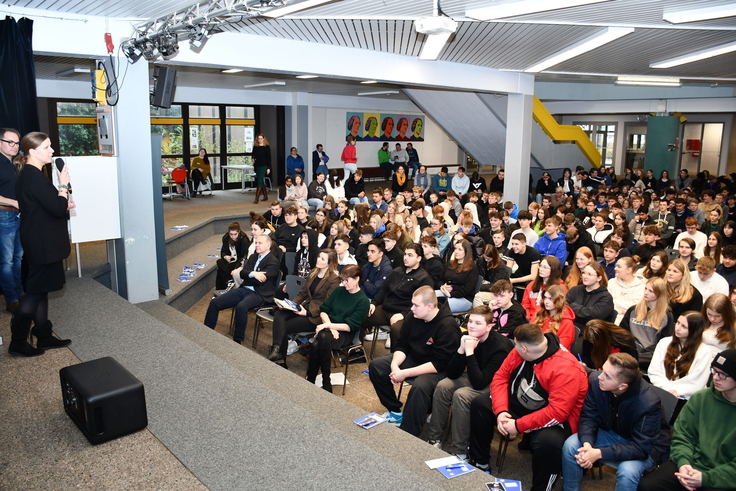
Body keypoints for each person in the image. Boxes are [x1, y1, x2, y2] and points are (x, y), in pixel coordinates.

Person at [467, 323, 589, 489]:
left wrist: (518, 425)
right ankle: (479, 461)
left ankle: (541, 487)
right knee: (480, 404)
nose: (513, 347)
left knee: (548, 443)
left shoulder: (566, 368)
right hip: (520, 402)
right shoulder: (522, 350)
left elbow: (557, 413)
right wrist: (501, 410)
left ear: (524, 348)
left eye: (515, 345)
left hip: (553, 417)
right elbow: (500, 378)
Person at [561, 353, 671, 491]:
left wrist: (598, 453)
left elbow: (640, 448)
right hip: (614, 432)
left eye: (607, 376)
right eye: (602, 370)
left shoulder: (648, 403)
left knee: (628, 472)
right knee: (572, 445)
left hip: (646, 445)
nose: (600, 376)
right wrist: (587, 445)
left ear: (622, 386)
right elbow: (589, 417)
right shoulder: (597, 382)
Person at [8, 132, 74, 357]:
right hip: (42, 242)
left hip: (40, 239)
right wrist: (63, 187)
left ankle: (44, 336)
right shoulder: (33, 176)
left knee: (41, 289)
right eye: (47, 147)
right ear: (33, 152)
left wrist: (62, 201)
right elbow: (55, 209)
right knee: (35, 292)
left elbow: (45, 207)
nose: (52, 151)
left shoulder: (30, 174)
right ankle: (17, 340)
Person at [638, 348, 736, 491]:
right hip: (690, 463)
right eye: (714, 372)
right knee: (648, 486)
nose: (716, 378)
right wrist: (684, 463)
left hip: (723, 475)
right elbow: (683, 435)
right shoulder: (701, 398)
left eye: (723, 375)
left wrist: (705, 478)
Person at [368, 286, 460, 435]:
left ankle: (409, 432)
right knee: (377, 366)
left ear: (429, 306)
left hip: (436, 368)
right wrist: (395, 365)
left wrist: (405, 373)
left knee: (420, 387)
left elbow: (439, 364)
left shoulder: (447, 326)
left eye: (416, 305)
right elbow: (402, 344)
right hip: (415, 358)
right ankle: (395, 411)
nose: (411, 308)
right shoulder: (414, 316)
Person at [426, 305, 513, 457]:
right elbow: (452, 374)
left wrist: (470, 352)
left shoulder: (501, 347)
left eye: (478, 323)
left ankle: (459, 451)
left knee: (462, 395)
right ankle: (434, 438)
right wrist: (461, 349)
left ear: (489, 326)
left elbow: (481, 383)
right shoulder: (466, 336)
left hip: (493, 384)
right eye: (471, 321)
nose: (472, 326)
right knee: (443, 385)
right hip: (473, 375)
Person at [267, 249, 340, 365]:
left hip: (316, 315)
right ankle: (277, 350)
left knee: (283, 326)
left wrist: (308, 313)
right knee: (279, 314)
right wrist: (292, 305)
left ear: (329, 263)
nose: (318, 260)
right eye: (319, 257)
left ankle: (279, 357)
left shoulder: (334, 279)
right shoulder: (313, 272)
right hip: (305, 307)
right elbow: (303, 293)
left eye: (322, 259)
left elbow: (327, 304)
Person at [204, 235, 280, 345]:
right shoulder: (253, 257)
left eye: (260, 243)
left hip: (259, 293)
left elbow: (260, 281)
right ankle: (206, 332)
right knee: (215, 302)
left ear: (268, 245)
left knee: (241, 307)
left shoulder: (273, 262)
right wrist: (254, 274)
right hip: (244, 289)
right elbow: (242, 274)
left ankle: (237, 340)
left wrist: (249, 275)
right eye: (256, 243)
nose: (257, 245)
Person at [305, 264, 369, 393]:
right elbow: (324, 310)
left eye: (347, 280)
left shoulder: (363, 301)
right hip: (330, 329)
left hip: (345, 334)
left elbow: (350, 326)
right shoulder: (339, 291)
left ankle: (314, 378)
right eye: (342, 280)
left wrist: (328, 326)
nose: (344, 283)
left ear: (357, 279)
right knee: (321, 339)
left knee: (319, 341)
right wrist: (330, 326)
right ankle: (324, 381)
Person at [363, 244, 434, 351]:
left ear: (419, 258)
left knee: (397, 330)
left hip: (407, 313)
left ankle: (395, 361)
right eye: (405, 254)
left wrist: (403, 314)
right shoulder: (397, 271)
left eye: (410, 255)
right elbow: (385, 289)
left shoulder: (424, 278)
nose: (405, 257)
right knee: (361, 315)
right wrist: (374, 303)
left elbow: (420, 303)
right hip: (385, 309)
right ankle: (357, 350)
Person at [648, 311, 711, 401]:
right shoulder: (664, 342)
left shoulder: (704, 351)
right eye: (678, 323)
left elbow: (696, 382)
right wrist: (667, 389)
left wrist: (674, 391)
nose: (678, 328)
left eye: (684, 326)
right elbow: (654, 370)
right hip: (661, 391)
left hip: (687, 399)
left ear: (694, 330)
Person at [620, 277, 675, 370]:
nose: (646, 293)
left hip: (650, 354)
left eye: (651, 291)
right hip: (631, 349)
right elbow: (622, 332)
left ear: (659, 294)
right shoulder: (633, 310)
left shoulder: (666, 316)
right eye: (646, 289)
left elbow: (665, 342)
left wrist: (645, 352)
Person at [566, 262, 615, 351]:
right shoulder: (575, 290)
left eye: (589, 274)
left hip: (591, 336)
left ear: (599, 278)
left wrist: (572, 306)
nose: (585, 276)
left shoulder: (606, 297)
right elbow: (564, 307)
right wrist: (582, 311)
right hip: (569, 328)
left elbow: (593, 315)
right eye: (584, 273)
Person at [0, 128, 23, 313]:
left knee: (18, 257)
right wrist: (14, 202)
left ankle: (20, 292)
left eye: (16, 143)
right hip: (4, 215)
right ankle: (11, 299)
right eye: (10, 142)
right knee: (6, 260)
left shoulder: (13, 163)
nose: (14, 146)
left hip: (18, 215)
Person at [435, 239, 479, 313]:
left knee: (439, 307)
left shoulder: (472, 268)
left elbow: (467, 289)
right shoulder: (450, 263)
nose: (456, 252)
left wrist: (451, 294)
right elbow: (440, 280)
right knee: (427, 298)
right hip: (445, 292)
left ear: (466, 251)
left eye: (460, 249)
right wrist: (442, 286)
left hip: (463, 298)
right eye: (455, 249)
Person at [521, 255, 564, 322]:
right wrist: (527, 318)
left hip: (545, 321)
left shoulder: (559, 288)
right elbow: (525, 304)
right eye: (540, 266)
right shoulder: (532, 285)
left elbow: (557, 310)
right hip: (528, 319)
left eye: (545, 267)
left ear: (553, 270)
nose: (541, 269)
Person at [534, 284, 576, 350]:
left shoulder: (567, 322)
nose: (546, 302)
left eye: (550, 299)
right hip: (535, 349)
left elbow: (562, 347)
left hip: (553, 355)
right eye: (545, 297)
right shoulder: (541, 313)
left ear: (559, 301)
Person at [609, 257, 646, 324]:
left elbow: (635, 307)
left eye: (619, 267)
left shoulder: (641, 287)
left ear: (628, 270)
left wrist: (615, 303)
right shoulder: (611, 283)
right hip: (610, 317)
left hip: (630, 320)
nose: (615, 268)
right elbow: (607, 303)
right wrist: (621, 310)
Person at [216, 222, 251, 290]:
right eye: (231, 234)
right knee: (219, 262)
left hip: (239, 261)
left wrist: (239, 263)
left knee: (226, 269)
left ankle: (229, 281)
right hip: (231, 260)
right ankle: (228, 281)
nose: (233, 237)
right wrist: (225, 256)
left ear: (239, 232)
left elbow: (245, 255)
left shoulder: (244, 240)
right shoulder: (226, 238)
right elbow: (223, 251)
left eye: (235, 234)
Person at [701, 293, 736, 358]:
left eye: (717, 316)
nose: (712, 319)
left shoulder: (733, 328)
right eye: (709, 314)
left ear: (726, 313)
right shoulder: (701, 322)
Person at [252, 133, 271, 204]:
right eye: (258, 138)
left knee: (260, 180)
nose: (259, 140)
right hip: (257, 165)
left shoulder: (267, 147)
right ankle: (265, 196)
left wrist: (268, 168)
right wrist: (253, 158)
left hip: (264, 165)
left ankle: (256, 198)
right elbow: (253, 154)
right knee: (261, 181)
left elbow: (269, 158)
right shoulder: (255, 146)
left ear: (264, 139)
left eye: (261, 138)